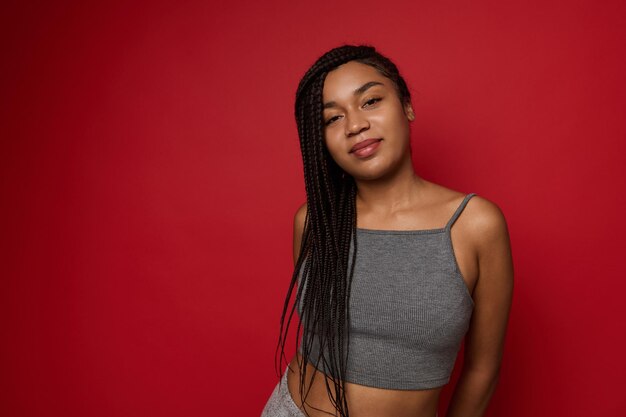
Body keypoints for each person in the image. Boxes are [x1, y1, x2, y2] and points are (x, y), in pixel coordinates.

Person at [261, 45, 514, 417]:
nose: (355, 125)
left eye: (371, 101)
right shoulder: (315, 221)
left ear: (407, 105)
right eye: (332, 118)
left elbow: (482, 370)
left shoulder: (474, 225)